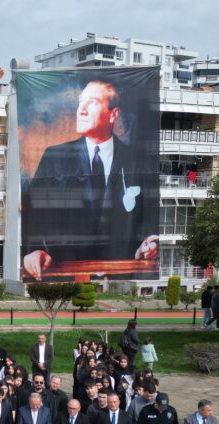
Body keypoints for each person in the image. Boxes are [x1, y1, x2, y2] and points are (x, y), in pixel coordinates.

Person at [21, 79, 157, 279]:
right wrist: (34, 250)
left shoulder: (137, 161)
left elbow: (150, 214)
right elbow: (31, 210)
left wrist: (150, 244)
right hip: (64, 272)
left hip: (122, 273)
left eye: (91, 102)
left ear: (114, 114)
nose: (81, 110)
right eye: (80, 102)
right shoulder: (54, 157)